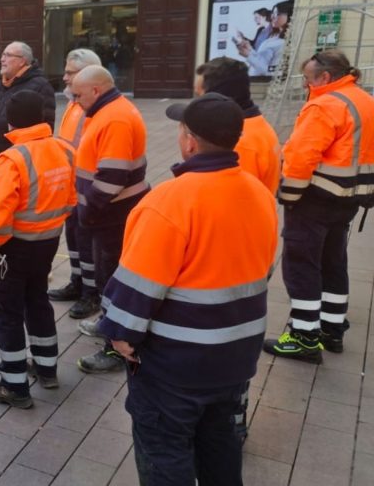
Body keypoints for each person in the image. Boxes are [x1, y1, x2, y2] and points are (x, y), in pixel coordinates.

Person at [98, 93, 278, 485]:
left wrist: (119, 336)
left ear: (189, 140)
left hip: (175, 366)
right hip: (236, 358)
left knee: (165, 454)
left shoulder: (169, 200)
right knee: (219, 445)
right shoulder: (259, 194)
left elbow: (136, 288)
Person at [264, 50, 374, 362]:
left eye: (308, 77)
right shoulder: (364, 100)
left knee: (301, 263)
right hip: (351, 198)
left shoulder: (325, 105)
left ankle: (303, 337)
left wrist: (288, 196)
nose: (304, 83)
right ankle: (332, 328)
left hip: (317, 198)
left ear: (324, 77)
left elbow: (301, 158)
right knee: (333, 260)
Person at [0, 91, 76, 407]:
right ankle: (47, 368)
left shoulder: (12, 158)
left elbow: (0, 215)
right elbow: (72, 199)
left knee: (6, 312)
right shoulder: (64, 149)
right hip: (48, 242)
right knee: (37, 301)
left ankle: (14, 383)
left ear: (11, 121)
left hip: (14, 248)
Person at [67, 66, 149, 374]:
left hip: (113, 214)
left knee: (113, 279)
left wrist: (88, 212)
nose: (74, 102)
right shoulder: (108, 111)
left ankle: (114, 347)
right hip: (111, 212)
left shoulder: (114, 117)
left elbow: (112, 177)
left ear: (96, 91)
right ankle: (109, 325)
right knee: (108, 276)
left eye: (77, 95)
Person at [48, 49, 102, 307]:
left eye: (71, 73)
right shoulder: (74, 103)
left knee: (87, 240)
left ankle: (91, 294)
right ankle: (77, 281)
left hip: (87, 188)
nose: (65, 77)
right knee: (74, 237)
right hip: (71, 186)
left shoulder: (93, 110)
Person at [194, 57, 281, 194]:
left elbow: (232, 199)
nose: (196, 104)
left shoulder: (238, 143)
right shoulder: (255, 125)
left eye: (200, 96)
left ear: (217, 97)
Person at [238, 1, 293, 77]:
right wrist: (250, 50)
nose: (272, 17)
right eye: (272, 14)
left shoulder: (280, 43)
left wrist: (249, 55)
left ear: (290, 16)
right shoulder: (270, 38)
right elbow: (262, 60)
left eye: (277, 14)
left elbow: (267, 70)